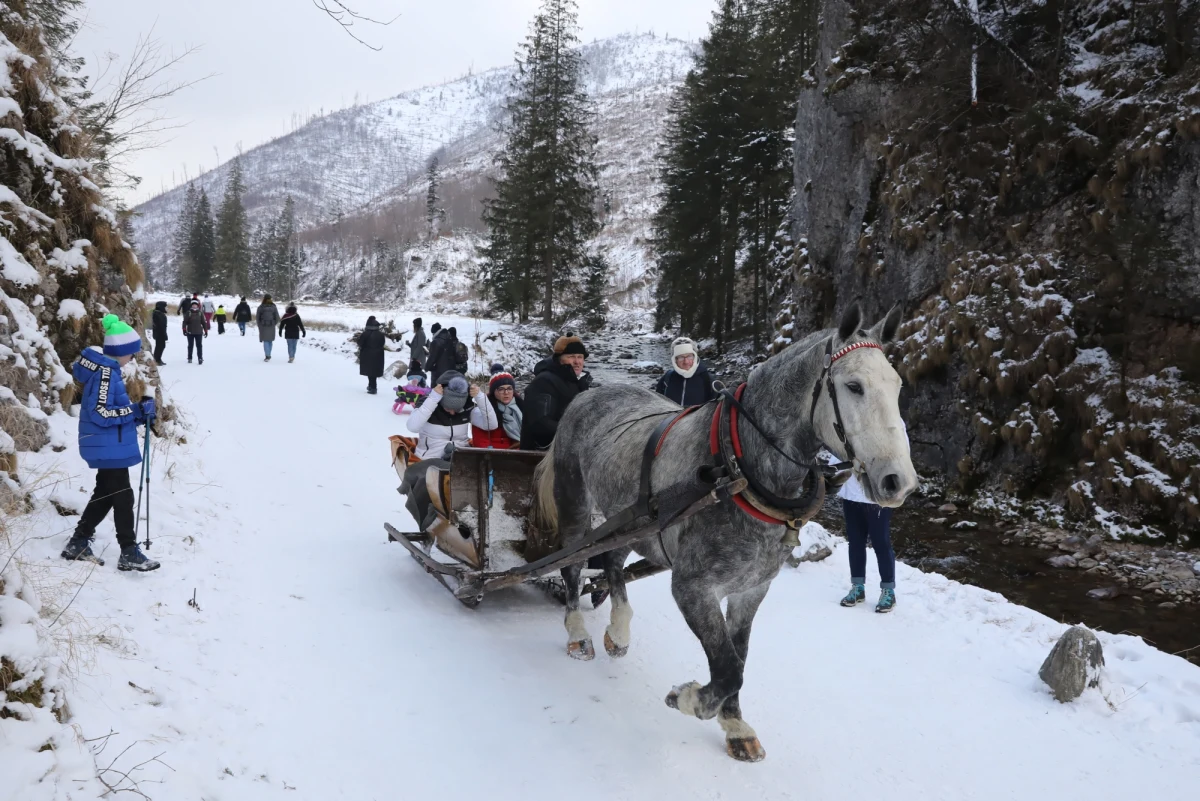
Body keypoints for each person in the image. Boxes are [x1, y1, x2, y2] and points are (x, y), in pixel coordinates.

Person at [60, 314, 161, 572]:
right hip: (107, 446)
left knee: (105, 494)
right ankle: (128, 551)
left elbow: (113, 412)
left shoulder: (109, 370)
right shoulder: (106, 373)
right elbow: (101, 413)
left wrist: (139, 414)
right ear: (120, 351)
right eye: (131, 353)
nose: (133, 358)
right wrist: (136, 412)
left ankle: (78, 542)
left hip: (108, 444)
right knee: (123, 496)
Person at [838, 426, 906, 613]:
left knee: (880, 542)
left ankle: (888, 592)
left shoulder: (891, 418)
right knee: (855, 542)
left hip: (877, 494)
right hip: (851, 493)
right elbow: (836, 447)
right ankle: (857, 588)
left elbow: (901, 452)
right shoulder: (847, 414)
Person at [520, 333, 590, 450]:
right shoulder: (544, 382)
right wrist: (576, 433)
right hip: (539, 455)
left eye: (580, 357)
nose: (577, 362)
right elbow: (541, 424)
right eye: (571, 356)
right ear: (560, 359)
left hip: (569, 449)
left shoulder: (579, 382)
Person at [405, 370, 498, 459]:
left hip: (460, 457)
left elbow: (491, 425)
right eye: (448, 408)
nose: (452, 412)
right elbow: (412, 427)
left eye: (457, 409)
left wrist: (480, 397)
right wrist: (433, 399)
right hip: (430, 458)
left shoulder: (467, 406)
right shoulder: (428, 402)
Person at [471, 363, 522, 449]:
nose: (506, 393)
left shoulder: (521, 408)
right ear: (493, 392)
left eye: (509, 388)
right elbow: (480, 442)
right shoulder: (484, 410)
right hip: (493, 457)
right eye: (501, 389)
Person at [654, 336, 717, 407]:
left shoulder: (709, 381)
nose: (686, 362)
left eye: (689, 356)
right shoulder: (666, 379)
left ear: (695, 357)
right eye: (681, 357)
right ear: (675, 360)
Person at [358, 315, 386, 393]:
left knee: (370, 371)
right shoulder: (381, 334)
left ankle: (372, 387)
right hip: (378, 355)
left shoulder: (365, 334)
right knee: (374, 371)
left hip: (367, 354)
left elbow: (360, 343)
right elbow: (382, 343)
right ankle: (371, 386)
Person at [181, 298, 209, 364]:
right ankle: (190, 358)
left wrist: (206, 331)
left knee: (199, 346)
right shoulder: (188, 313)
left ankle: (200, 358)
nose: (194, 306)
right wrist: (184, 330)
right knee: (190, 345)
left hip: (199, 332)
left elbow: (203, 322)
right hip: (190, 332)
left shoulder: (200, 313)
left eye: (195, 305)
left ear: (197, 306)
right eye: (193, 305)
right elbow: (184, 322)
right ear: (191, 305)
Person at [256, 294, 280, 361]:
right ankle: (269, 353)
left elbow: (258, 318)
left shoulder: (260, 307)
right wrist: (273, 323)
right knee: (270, 341)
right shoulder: (274, 307)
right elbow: (277, 317)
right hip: (271, 326)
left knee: (265, 341)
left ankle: (267, 355)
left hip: (263, 326)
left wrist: (260, 325)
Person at [150, 300, 169, 365]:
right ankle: (156, 359)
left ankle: (158, 359)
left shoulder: (160, 313)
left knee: (161, 346)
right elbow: (159, 325)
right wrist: (163, 334)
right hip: (159, 333)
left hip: (161, 333)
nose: (166, 308)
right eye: (165, 307)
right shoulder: (157, 314)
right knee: (159, 346)